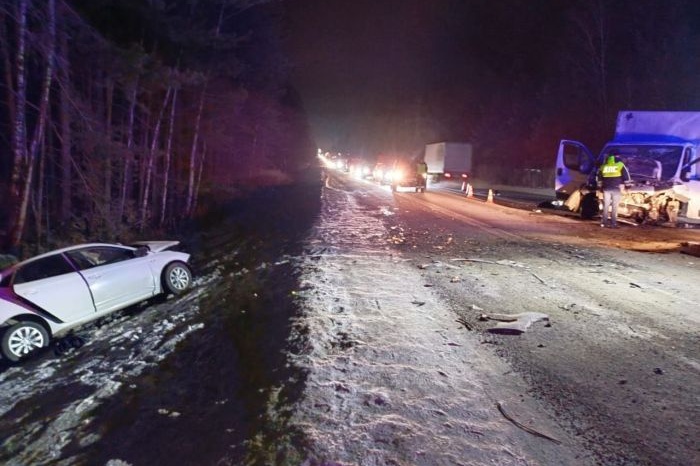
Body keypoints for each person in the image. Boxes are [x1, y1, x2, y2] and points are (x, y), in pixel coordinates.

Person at [598, 154, 631, 228]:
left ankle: (603, 223)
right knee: (614, 206)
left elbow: (599, 178)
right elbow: (626, 177)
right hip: (616, 189)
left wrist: (600, 188)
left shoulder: (603, 166)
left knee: (606, 206)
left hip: (606, 189)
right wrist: (628, 187)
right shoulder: (620, 165)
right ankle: (613, 224)